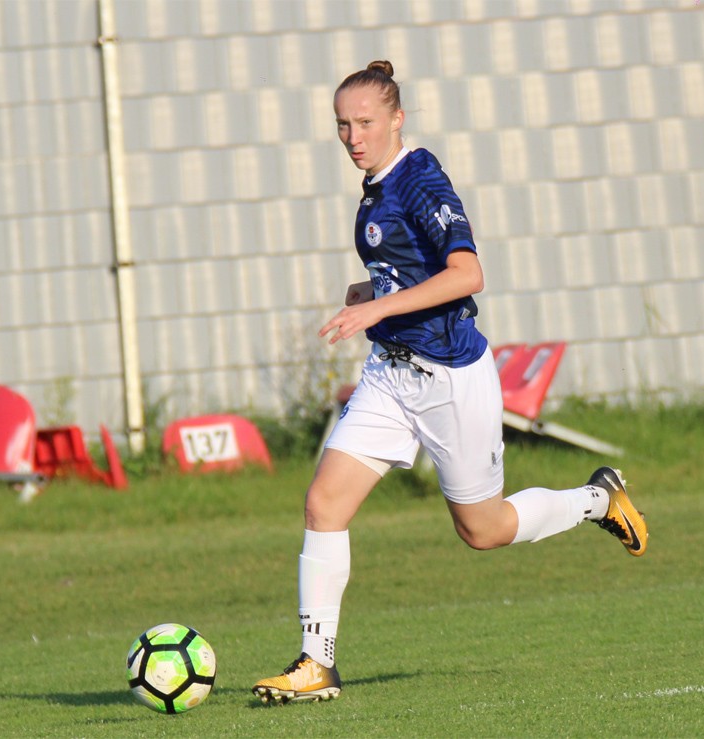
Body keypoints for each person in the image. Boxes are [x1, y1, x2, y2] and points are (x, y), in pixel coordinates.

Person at [252, 60, 647, 704]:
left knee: (483, 530)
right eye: (343, 125)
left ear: (397, 119)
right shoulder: (376, 185)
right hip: (389, 375)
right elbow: (413, 268)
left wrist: (379, 306)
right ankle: (316, 664)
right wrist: (376, 290)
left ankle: (598, 500)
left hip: (449, 379)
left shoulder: (420, 178)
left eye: (365, 123)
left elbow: (467, 274)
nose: (353, 137)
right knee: (324, 505)